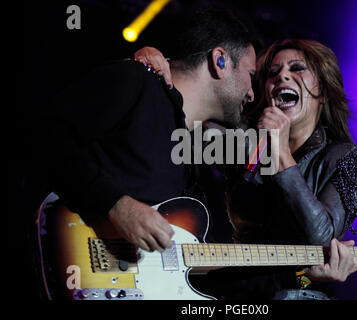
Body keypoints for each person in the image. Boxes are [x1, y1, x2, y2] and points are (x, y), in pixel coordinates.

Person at [134, 38, 357, 300]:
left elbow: (319, 241)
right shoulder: (246, 143)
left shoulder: (350, 159)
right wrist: (157, 74)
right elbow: (181, 125)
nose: (282, 75)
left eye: (297, 69)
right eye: (273, 73)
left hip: (297, 293)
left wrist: (280, 153)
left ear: (324, 91)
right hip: (231, 289)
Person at [46, 8, 256, 254]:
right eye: (250, 75)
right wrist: (115, 204)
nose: (252, 93)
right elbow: (45, 135)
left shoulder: (192, 148)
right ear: (220, 61)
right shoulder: (136, 81)